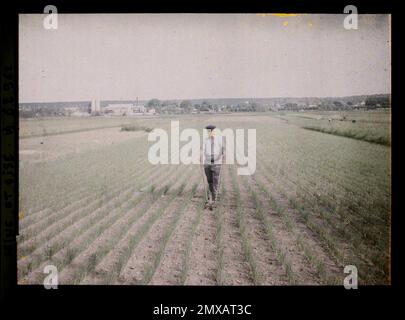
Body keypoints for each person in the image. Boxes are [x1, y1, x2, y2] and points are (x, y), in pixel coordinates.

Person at [202, 125, 224, 208]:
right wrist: (200, 157)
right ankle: (210, 197)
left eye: (211, 131)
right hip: (207, 163)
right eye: (208, 131)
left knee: (215, 181)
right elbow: (202, 150)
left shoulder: (219, 140)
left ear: (214, 131)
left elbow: (223, 150)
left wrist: (223, 155)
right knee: (209, 181)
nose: (209, 133)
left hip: (216, 163)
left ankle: (215, 198)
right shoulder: (205, 141)